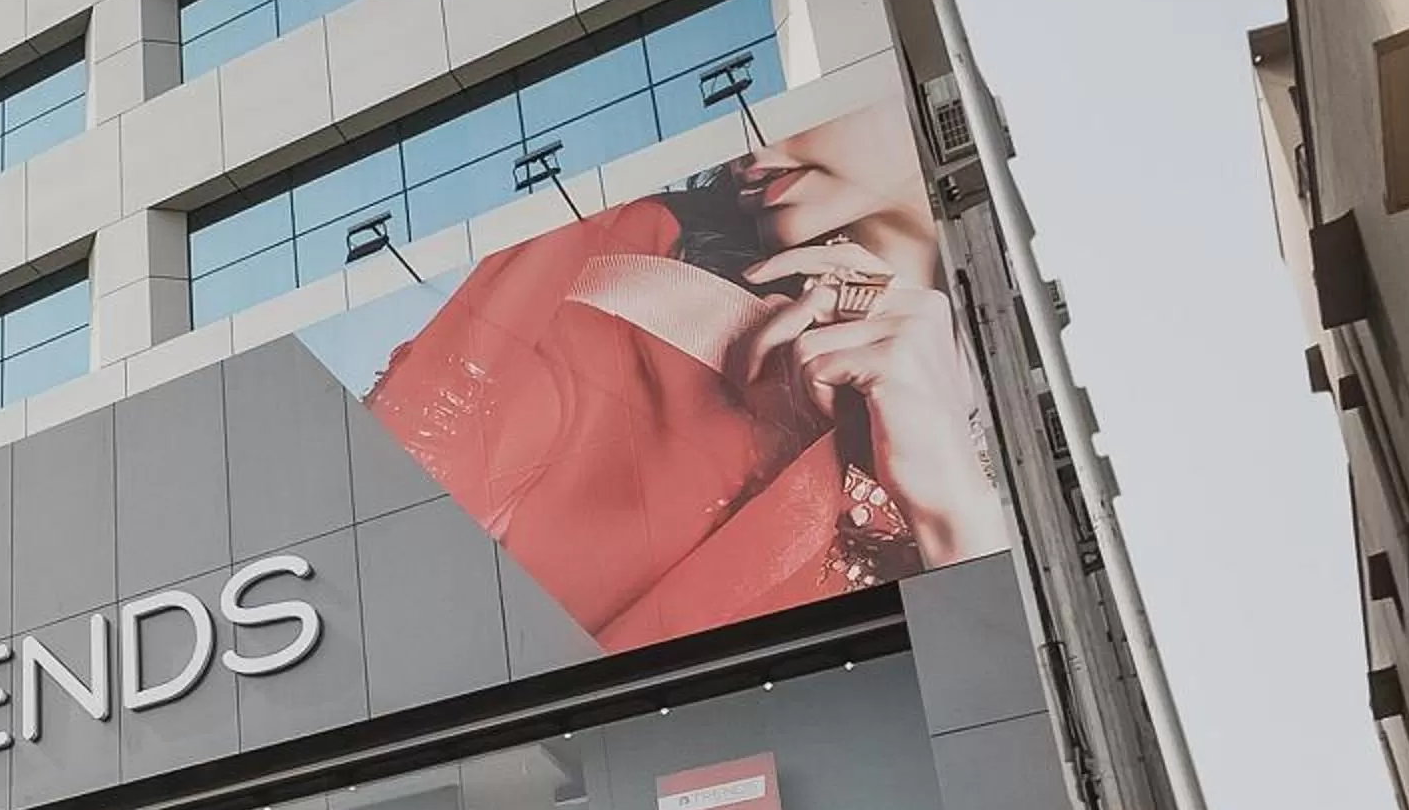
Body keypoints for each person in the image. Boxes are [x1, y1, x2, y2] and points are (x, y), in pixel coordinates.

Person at [363, 105, 1006, 653]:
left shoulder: (1038, 398)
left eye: (792, 90)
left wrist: (953, 507)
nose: (746, 145)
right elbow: (379, 553)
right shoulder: (620, 282)